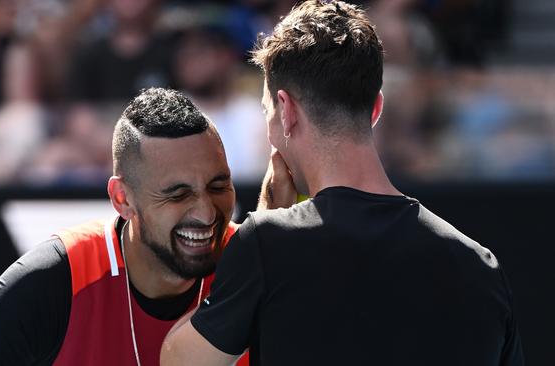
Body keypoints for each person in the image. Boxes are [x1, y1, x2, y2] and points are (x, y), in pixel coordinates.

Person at [161, 1, 524, 365]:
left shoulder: (266, 246)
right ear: (375, 109)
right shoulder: (481, 268)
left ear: (286, 111)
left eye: (268, 111)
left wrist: (269, 216)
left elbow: (178, 360)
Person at [0, 88, 249, 365]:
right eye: (178, 194)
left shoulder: (255, 266)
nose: (206, 212)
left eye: (218, 186)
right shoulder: (52, 281)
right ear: (122, 199)